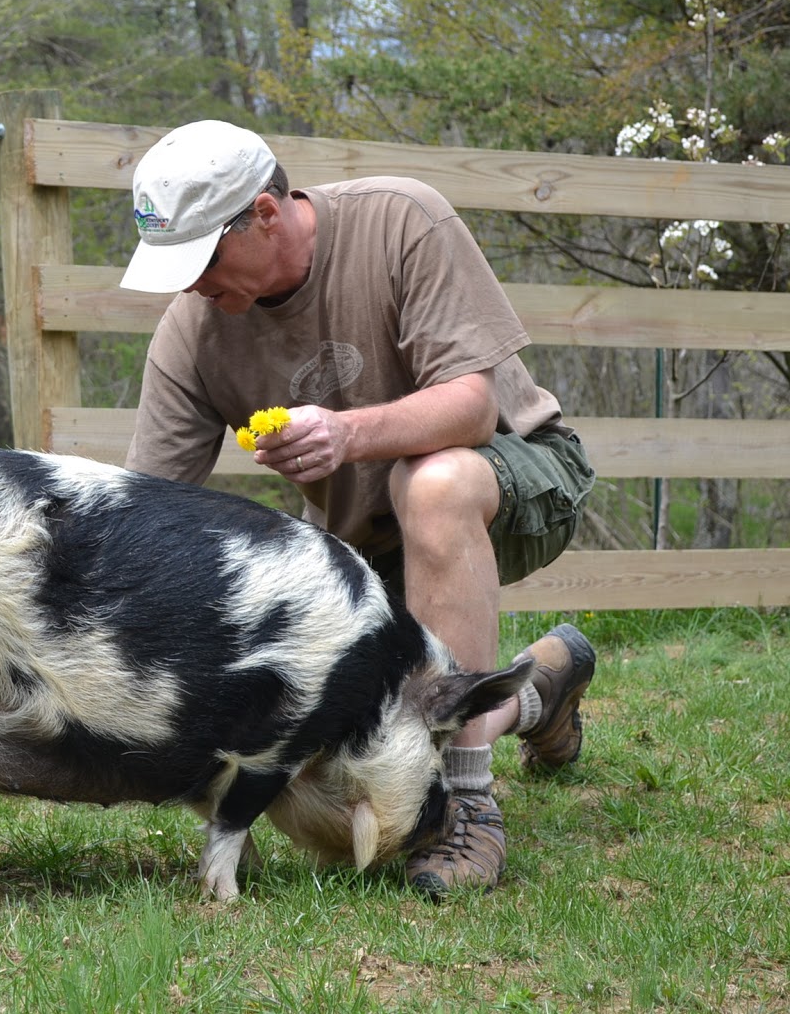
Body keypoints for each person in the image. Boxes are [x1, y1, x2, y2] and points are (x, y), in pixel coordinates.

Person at [119, 119, 598, 897]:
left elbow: (473, 407)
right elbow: (143, 512)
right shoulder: (194, 331)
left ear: (265, 215)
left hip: (513, 476)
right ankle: (539, 686)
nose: (189, 284)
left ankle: (469, 803)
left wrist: (346, 433)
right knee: (363, 739)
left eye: (200, 258)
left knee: (432, 484)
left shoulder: (401, 220)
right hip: (358, 544)